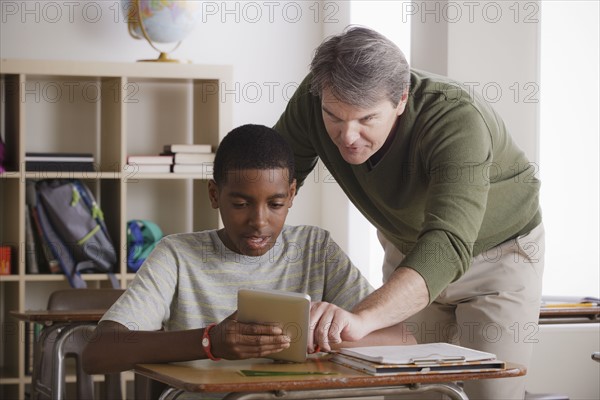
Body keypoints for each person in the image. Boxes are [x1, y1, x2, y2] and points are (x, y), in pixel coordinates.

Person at [273, 26, 544, 399]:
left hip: (498, 257)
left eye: (366, 119)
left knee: (493, 394)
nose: (347, 136)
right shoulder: (316, 96)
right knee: (408, 393)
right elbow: (272, 178)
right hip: (410, 250)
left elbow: (448, 242)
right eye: (334, 116)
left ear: (401, 99)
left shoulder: (455, 117)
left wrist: (363, 317)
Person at [82, 124, 414, 391]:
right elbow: (99, 352)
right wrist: (210, 342)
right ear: (215, 195)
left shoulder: (316, 248)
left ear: (292, 195)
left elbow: (402, 340)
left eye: (275, 204)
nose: (259, 221)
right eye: (241, 204)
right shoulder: (178, 255)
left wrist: (337, 332)